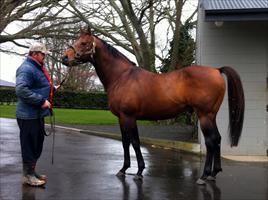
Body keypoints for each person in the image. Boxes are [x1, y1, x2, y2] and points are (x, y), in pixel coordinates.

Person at [16, 42, 59, 187]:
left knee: (36, 145)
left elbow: (39, 86)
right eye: (43, 54)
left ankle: (32, 172)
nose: (45, 57)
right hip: (28, 116)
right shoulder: (27, 69)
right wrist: (41, 101)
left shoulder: (37, 68)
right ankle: (28, 175)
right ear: (34, 54)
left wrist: (52, 89)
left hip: (37, 115)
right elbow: (21, 90)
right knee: (29, 146)